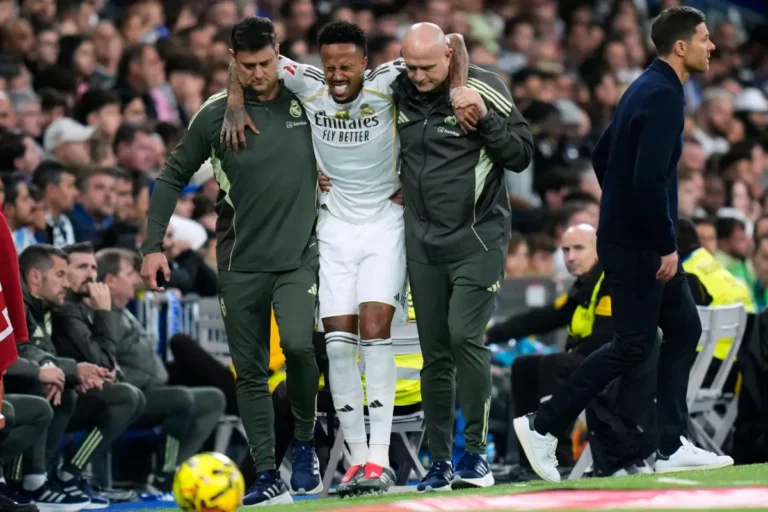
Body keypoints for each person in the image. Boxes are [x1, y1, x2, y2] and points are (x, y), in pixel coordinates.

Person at [220, 19, 468, 496]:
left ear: (365, 64)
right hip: (333, 226)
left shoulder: (387, 81)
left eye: (347, 67)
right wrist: (234, 102)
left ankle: (379, 460)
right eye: (330, 65)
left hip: (384, 224)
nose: (337, 76)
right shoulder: (306, 81)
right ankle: (355, 463)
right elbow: (242, 63)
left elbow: (454, 43)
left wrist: (457, 89)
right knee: (336, 345)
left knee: (374, 330)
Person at [512, 6, 732, 483]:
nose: (712, 46)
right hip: (642, 246)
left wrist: (618, 211)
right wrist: (662, 242)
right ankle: (543, 425)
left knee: (684, 330)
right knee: (633, 345)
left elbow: (603, 154)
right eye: (704, 38)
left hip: (633, 237)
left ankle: (671, 445)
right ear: (681, 47)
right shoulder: (663, 95)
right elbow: (649, 177)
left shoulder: (645, 85)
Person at [139, 18, 320, 507]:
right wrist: (152, 246)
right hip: (240, 262)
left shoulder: (307, 96)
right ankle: (266, 471)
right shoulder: (215, 114)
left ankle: (305, 441)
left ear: (279, 54)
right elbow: (171, 177)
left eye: (266, 63)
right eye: (248, 65)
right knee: (250, 371)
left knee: (300, 348)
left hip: (300, 256)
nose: (259, 73)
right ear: (233, 61)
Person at [393, 23, 533, 491]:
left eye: (427, 67)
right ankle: (439, 463)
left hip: (478, 238)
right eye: (411, 67)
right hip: (423, 244)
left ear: (449, 57)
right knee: (434, 355)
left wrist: (486, 119)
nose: (418, 76)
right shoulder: (397, 88)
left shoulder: (486, 86)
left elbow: (520, 155)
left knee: (463, 337)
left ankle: (475, 455)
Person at [15, 245, 142, 508]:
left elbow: (101, 365)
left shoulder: (58, 305)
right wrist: (105, 312)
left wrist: (70, 371)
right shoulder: (62, 309)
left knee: (131, 397)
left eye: (93, 267)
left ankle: (62, 475)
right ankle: (34, 480)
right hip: (32, 391)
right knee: (120, 396)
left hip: (62, 392)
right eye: (80, 268)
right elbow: (100, 361)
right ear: (37, 276)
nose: (91, 275)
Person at [96, 248, 226, 491]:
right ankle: (163, 476)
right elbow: (104, 357)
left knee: (212, 399)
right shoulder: (103, 316)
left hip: (152, 390)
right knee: (180, 399)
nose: (135, 279)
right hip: (130, 396)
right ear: (110, 281)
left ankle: (178, 469)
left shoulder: (125, 311)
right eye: (129, 274)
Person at [486, 224, 612, 471]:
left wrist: (572, 354)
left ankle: (559, 458)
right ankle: (528, 462)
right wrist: (490, 335)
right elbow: (546, 317)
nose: (570, 257)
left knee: (554, 363)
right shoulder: (584, 285)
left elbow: (607, 337)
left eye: (578, 248)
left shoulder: (610, 281)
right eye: (565, 250)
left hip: (614, 368)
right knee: (524, 366)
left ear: (598, 250)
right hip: (587, 362)